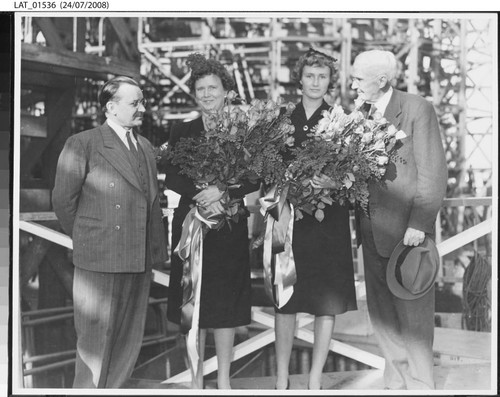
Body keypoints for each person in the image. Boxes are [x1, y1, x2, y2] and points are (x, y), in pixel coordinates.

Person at [52, 76, 168, 388]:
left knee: (128, 344)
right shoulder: (83, 143)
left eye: (142, 102)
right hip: (100, 261)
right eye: (135, 103)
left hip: (138, 260)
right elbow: (63, 202)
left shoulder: (144, 146)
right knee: (94, 348)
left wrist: (156, 251)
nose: (142, 108)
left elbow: (152, 203)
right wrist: (92, 239)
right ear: (111, 107)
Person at [351, 50, 447, 390]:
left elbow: (433, 172)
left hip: (408, 234)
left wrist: (419, 224)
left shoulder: (417, 110)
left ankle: (422, 384)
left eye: (358, 79)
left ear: (381, 80)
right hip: (370, 230)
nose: (352, 85)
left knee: (414, 319)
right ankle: (397, 381)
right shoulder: (358, 113)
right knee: (382, 316)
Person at [163, 53, 259, 389]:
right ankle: (195, 380)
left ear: (225, 90)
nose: (206, 94)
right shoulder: (181, 130)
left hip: (228, 226)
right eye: (200, 88)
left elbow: (254, 175)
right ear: (194, 93)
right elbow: (172, 177)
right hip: (192, 222)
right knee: (193, 300)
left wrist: (221, 190)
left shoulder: (243, 130)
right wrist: (200, 193)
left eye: (212, 87)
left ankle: (223, 382)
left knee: (225, 305)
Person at [274, 48, 357, 390]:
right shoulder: (281, 119)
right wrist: (277, 214)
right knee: (286, 300)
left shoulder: (341, 119)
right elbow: (271, 172)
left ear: (329, 82)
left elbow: (356, 175)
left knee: (326, 301)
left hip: (328, 222)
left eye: (322, 77)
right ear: (300, 78)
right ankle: (282, 376)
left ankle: (315, 377)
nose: (315, 82)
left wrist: (335, 182)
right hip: (290, 219)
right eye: (310, 75)